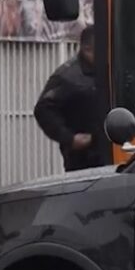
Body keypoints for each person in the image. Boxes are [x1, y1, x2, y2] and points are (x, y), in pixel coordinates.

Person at [35, 25, 107, 171]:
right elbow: (43, 109)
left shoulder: (108, 71)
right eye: (104, 50)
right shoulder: (68, 77)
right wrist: (70, 138)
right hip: (84, 160)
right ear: (87, 49)